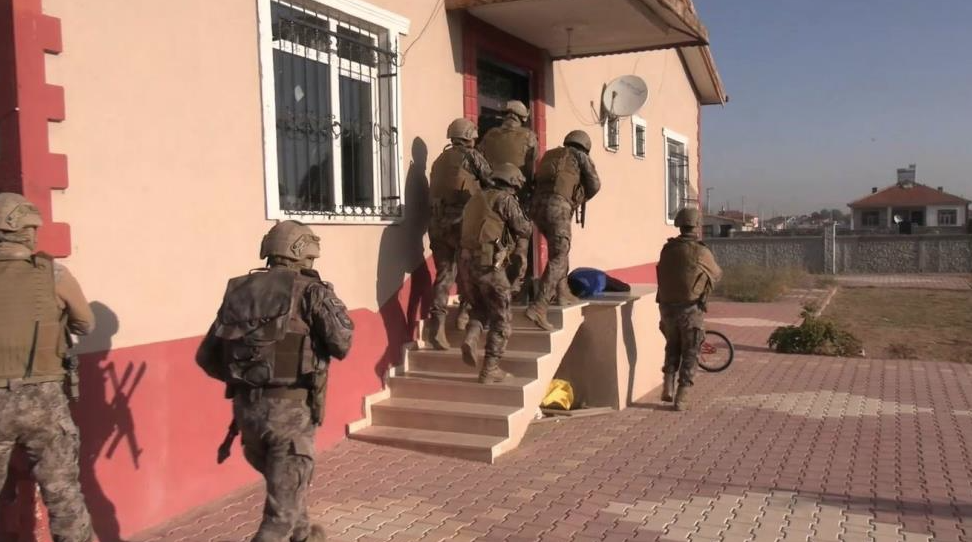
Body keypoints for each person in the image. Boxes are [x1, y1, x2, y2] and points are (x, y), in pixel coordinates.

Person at [196, 220, 354, 542]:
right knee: (278, 521)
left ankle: (305, 536)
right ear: (301, 252)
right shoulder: (311, 291)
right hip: (289, 419)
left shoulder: (240, 293)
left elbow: (207, 357)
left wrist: (248, 377)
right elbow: (342, 343)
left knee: (289, 493)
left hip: (247, 417)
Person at [0, 192, 96, 542]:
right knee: (64, 499)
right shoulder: (53, 274)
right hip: (43, 402)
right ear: (28, 231)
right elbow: (86, 324)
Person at [457, 163, 533, 384]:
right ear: (512, 183)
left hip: (467, 266)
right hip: (490, 266)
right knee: (502, 318)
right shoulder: (504, 199)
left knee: (480, 307)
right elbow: (524, 229)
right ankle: (490, 369)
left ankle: (472, 337)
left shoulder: (475, 198)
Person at [524, 130, 601, 331]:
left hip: (536, 207)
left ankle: (562, 292)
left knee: (558, 249)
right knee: (559, 254)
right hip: (558, 207)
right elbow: (595, 184)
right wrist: (578, 197)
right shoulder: (580, 156)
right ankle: (539, 306)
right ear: (585, 146)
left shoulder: (551, 154)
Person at [427, 118, 492, 348]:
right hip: (461, 223)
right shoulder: (472, 157)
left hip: (437, 224)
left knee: (445, 274)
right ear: (468, 136)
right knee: (471, 271)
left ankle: (437, 323)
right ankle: (465, 315)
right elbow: (491, 182)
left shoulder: (439, 160)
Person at [655, 207, 722, 411]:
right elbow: (717, 274)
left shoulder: (667, 249)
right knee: (691, 352)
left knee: (672, 346)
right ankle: (682, 397)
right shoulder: (701, 251)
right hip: (690, 310)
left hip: (666, 309)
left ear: (679, 224)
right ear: (697, 225)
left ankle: (667, 385)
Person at [477, 100, 538, 301]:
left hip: (490, 198)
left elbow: (480, 164)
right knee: (520, 244)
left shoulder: (490, 135)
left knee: (496, 243)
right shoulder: (529, 137)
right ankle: (514, 290)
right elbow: (532, 169)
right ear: (522, 117)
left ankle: (492, 289)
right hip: (517, 197)